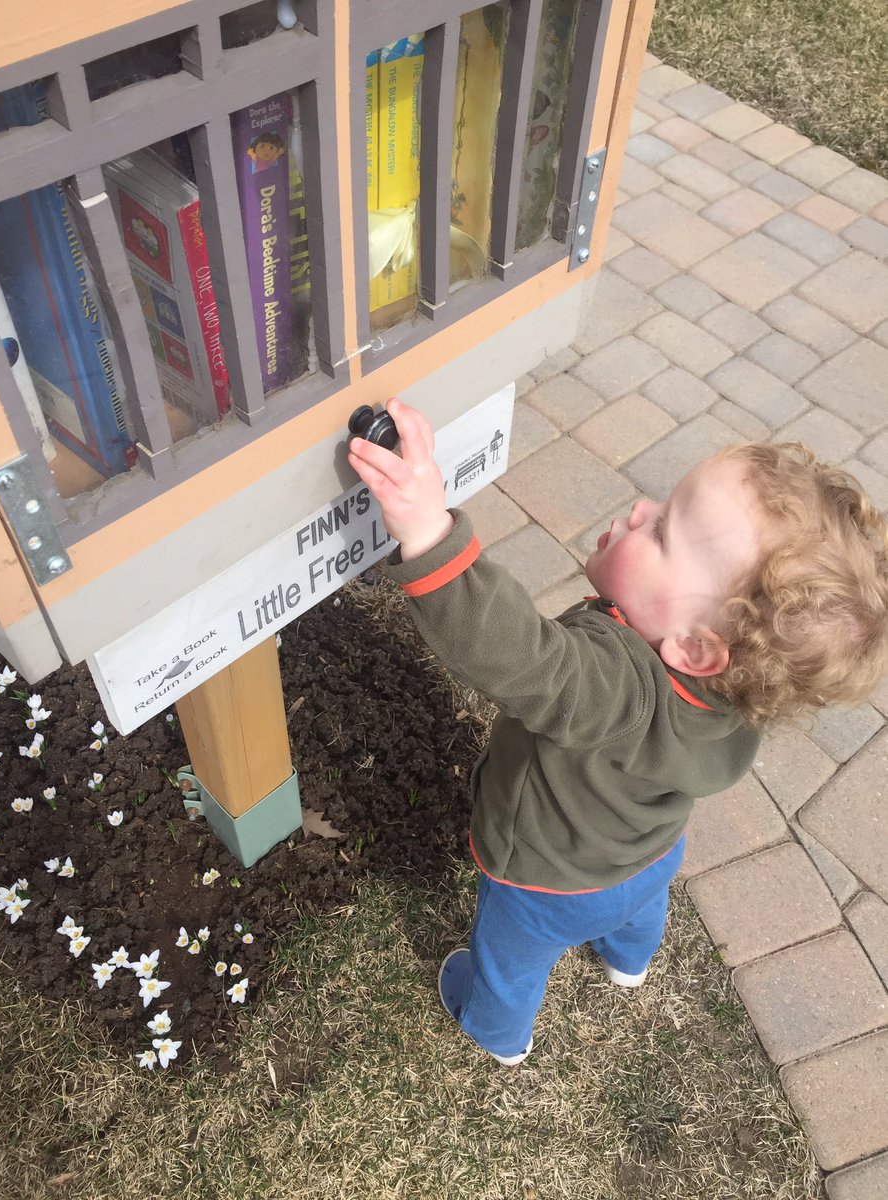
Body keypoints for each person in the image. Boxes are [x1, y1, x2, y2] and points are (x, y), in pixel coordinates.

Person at [347, 397, 888, 1067]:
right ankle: (630, 959)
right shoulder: (741, 698)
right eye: (660, 506)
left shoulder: (617, 688)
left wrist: (429, 533)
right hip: (648, 856)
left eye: (661, 534)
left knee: (508, 961)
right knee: (638, 906)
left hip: (547, 884)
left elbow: (520, 657)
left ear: (693, 648)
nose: (638, 512)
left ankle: (496, 1028)